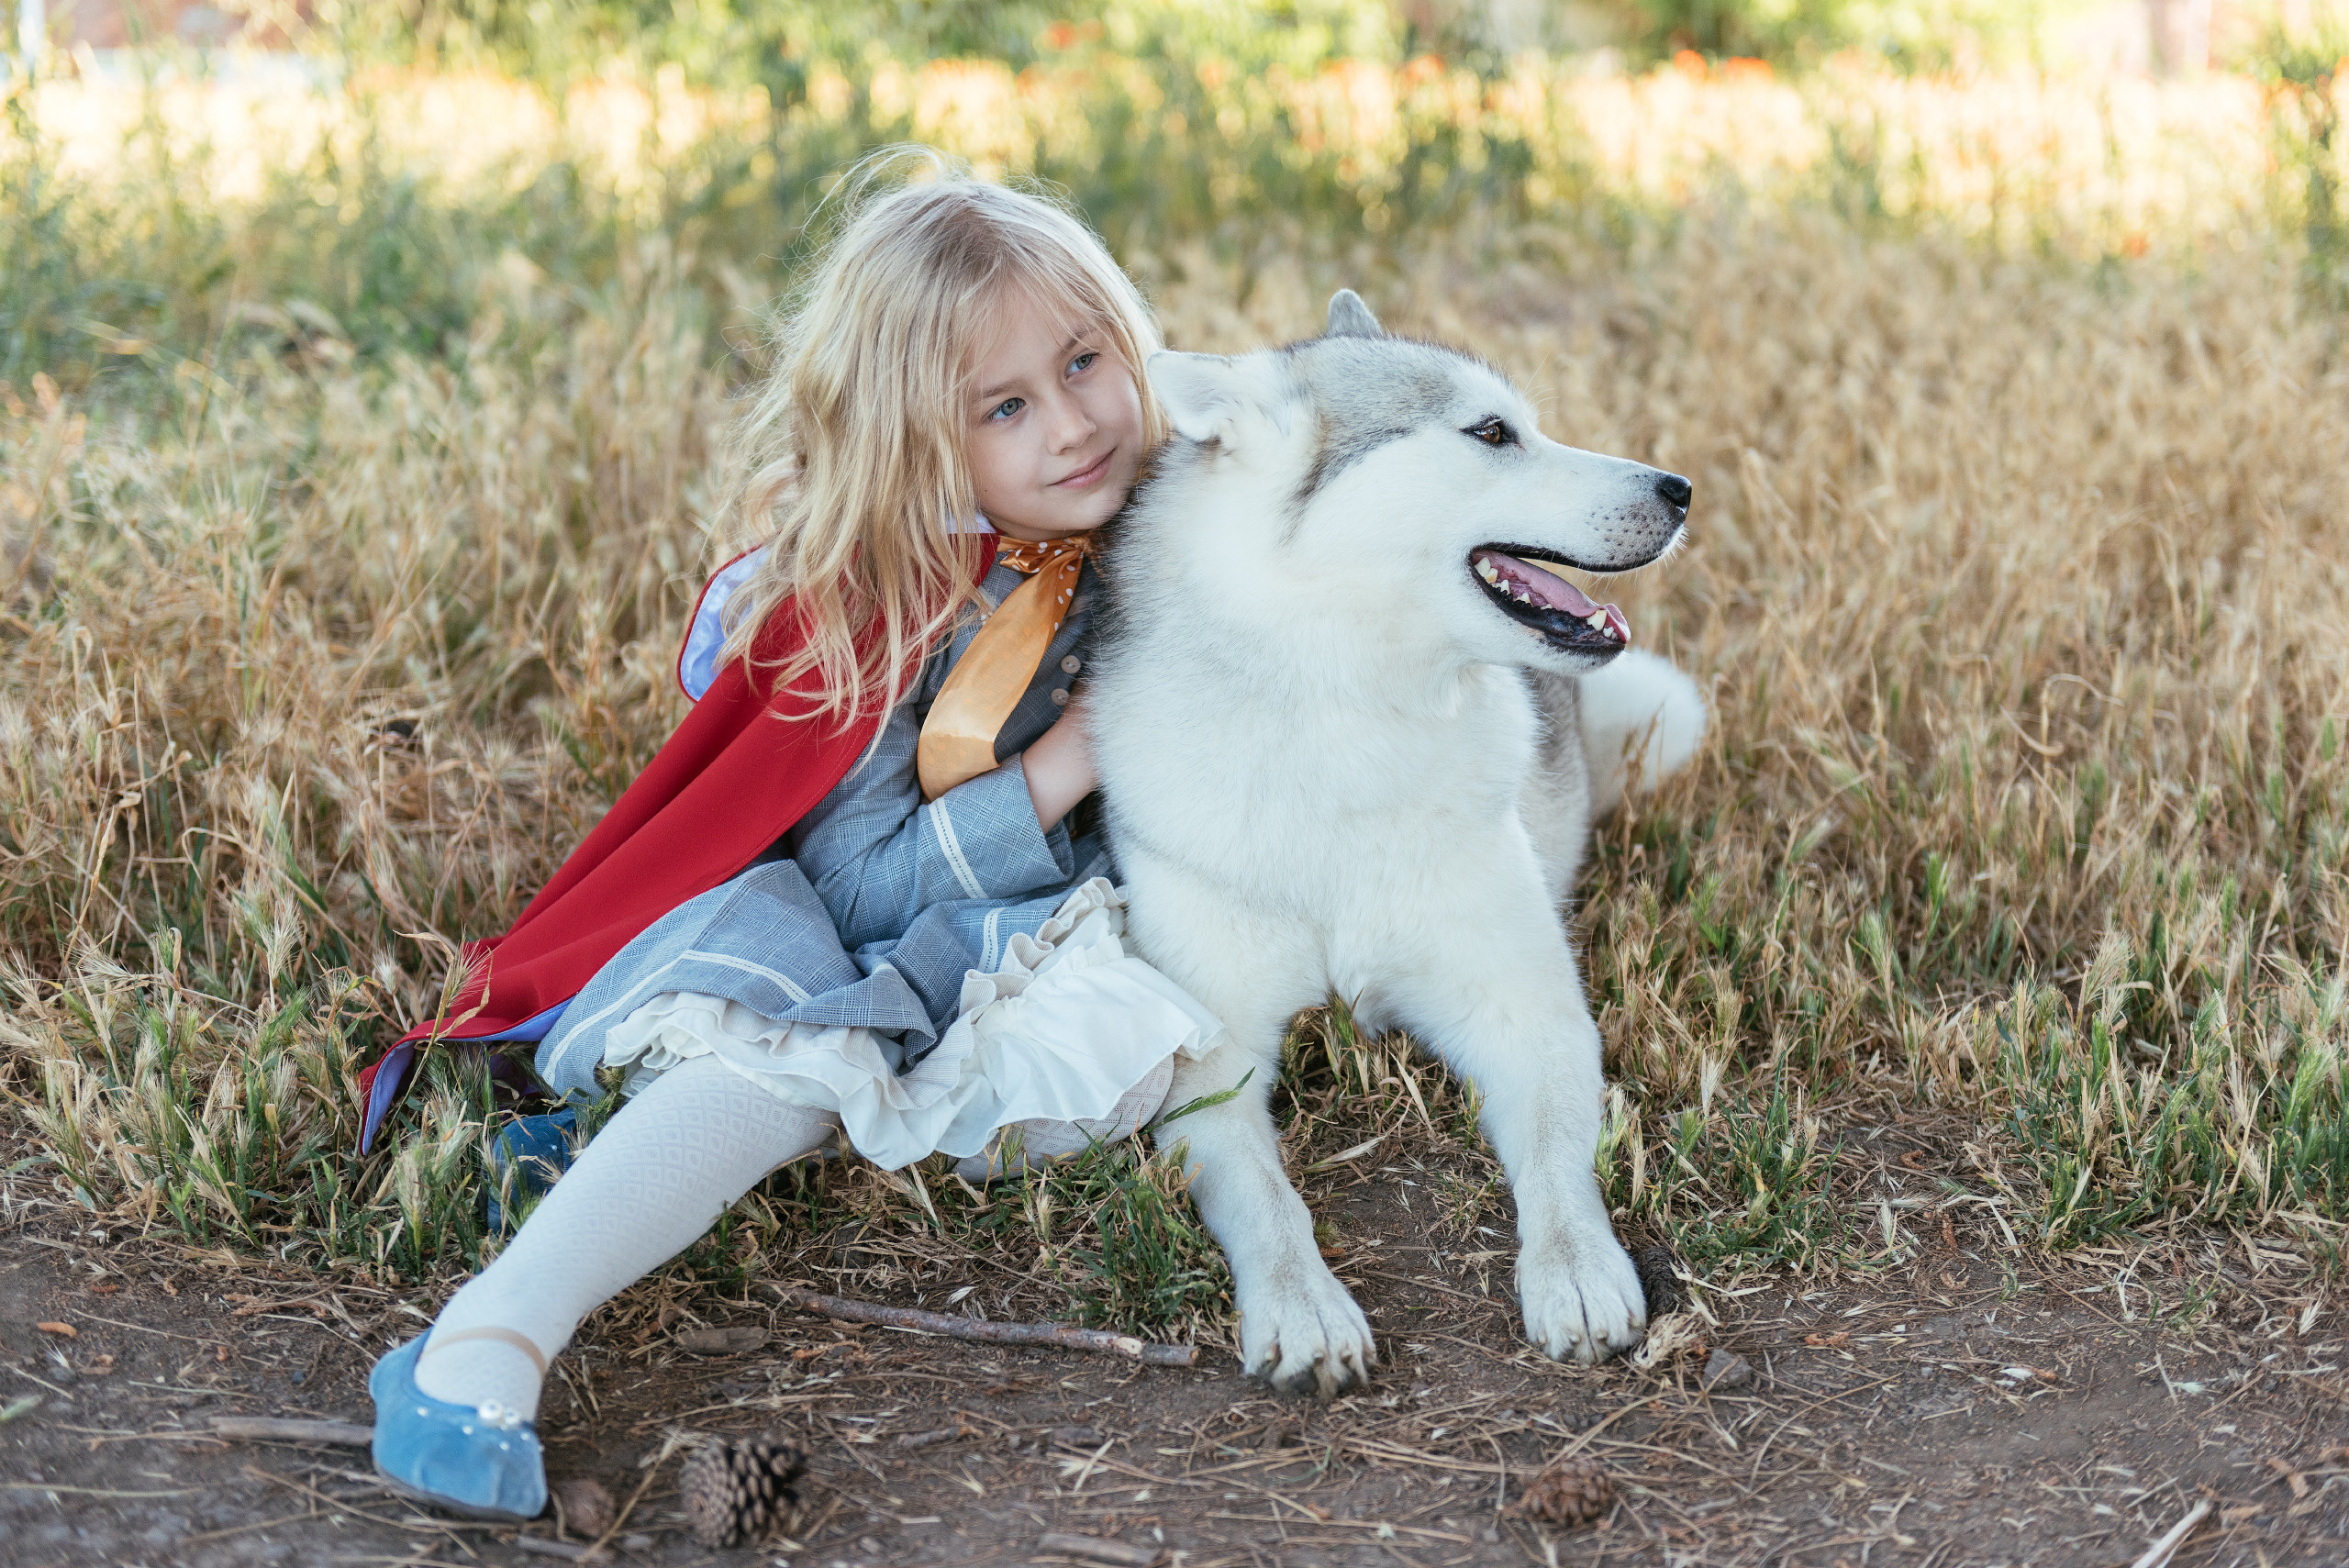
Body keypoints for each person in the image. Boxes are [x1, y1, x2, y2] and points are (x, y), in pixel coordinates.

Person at [367, 150, 1223, 1521]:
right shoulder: (880, 605)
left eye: (1084, 361)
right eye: (1005, 405)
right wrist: (1070, 760)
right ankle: (493, 1330)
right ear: (919, 443)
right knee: (805, 1052)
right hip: (872, 918)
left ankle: (614, 1152)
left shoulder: (1184, 513)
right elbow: (862, 882)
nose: (1073, 424)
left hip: (1069, 913)